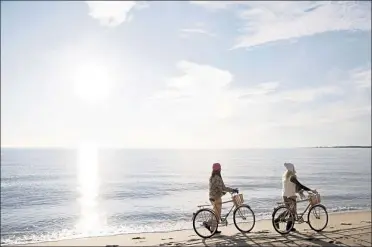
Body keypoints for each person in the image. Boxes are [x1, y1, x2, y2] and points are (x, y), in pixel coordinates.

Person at [274, 162, 316, 232]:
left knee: (289, 211)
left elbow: (292, 186)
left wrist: (300, 191)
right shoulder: (292, 177)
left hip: (285, 195)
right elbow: (299, 185)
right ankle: (286, 225)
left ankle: (287, 225)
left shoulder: (285, 176)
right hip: (291, 196)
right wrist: (310, 190)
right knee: (292, 212)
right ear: (292, 169)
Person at [204, 163, 238, 234]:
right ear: (219, 169)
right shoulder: (217, 177)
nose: (220, 170)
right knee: (217, 214)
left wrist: (224, 192)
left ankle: (213, 229)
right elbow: (222, 188)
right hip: (216, 197)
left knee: (216, 214)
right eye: (220, 168)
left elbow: (219, 188)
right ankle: (208, 224)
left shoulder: (212, 177)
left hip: (212, 196)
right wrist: (232, 190)